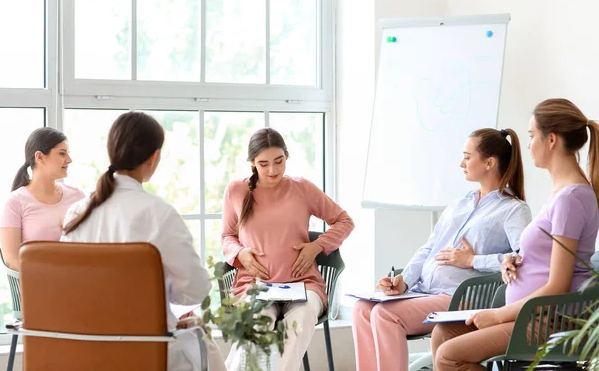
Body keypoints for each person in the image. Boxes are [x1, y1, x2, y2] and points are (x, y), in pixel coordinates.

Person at [432, 99, 599, 370]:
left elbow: (557, 285)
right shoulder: (562, 193)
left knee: (449, 356)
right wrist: (515, 260)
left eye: (533, 136)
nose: (529, 144)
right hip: (531, 314)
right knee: (443, 333)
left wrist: (498, 315)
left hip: (547, 319)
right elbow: (547, 256)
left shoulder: (571, 197)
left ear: (552, 140)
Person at [352, 128, 533, 371]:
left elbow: (522, 259)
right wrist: (403, 281)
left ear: (489, 163)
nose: (462, 163)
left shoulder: (513, 209)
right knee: (362, 309)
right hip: (423, 291)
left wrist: (472, 260)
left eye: (468, 157)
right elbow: (429, 247)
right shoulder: (459, 204)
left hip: (459, 296)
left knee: (385, 315)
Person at [61, 112, 224, 371]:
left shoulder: (77, 214)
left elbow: (69, 291)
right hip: (148, 349)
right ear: (154, 157)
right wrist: (161, 297)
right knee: (206, 347)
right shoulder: (158, 214)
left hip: (85, 349)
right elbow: (197, 290)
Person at [222, 127, 354, 371]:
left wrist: (317, 246)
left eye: (279, 161)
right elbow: (227, 237)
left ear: (286, 156)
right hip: (255, 285)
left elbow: (344, 221)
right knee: (254, 327)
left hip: (304, 284)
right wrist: (240, 253)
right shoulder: (236, 191)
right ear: (252, 163)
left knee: (300, 323)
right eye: (264, 164)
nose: (273, 170)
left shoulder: (302, 188)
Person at [0, 127, 84, 270]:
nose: (69, 160)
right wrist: (50, 274)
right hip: (36, 285)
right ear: (39, 157)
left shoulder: (78, 197)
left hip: (76, 283)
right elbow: (11, 259)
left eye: (68, 154)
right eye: (62, 153)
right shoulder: (15, 202)